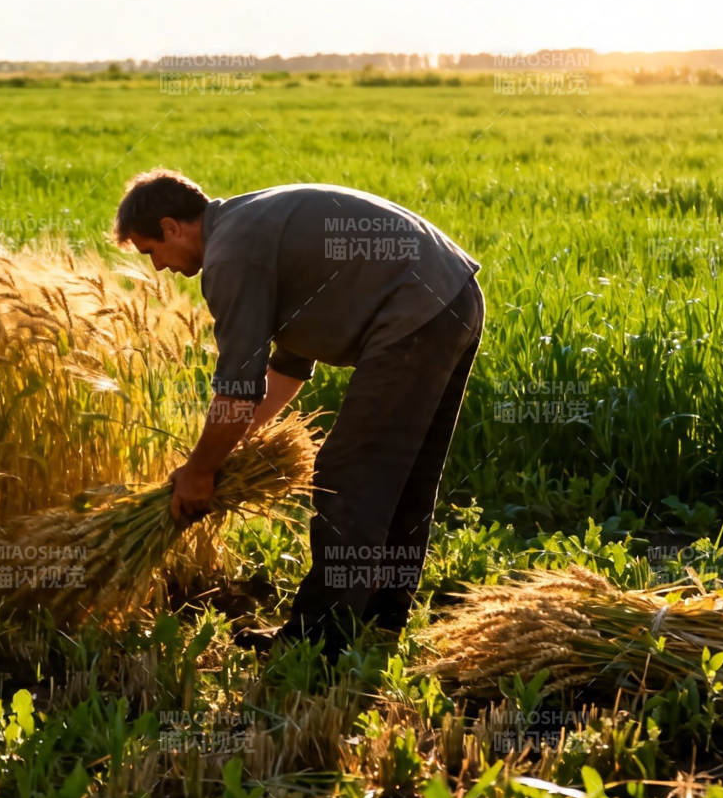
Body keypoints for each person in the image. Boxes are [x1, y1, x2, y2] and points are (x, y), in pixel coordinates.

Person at [111, 168, 484, 659]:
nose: (158, 267)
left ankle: (319, 638)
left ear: (172, 226)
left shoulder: (229, 254)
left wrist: (199, 471)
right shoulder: (251, 225)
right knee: (405, 478)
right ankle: (380, 620)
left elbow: (238, 389)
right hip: (454, 298)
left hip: (416, 314)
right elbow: (284, 371)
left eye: (151, 250)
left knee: (348, 473)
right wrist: (230, 450)